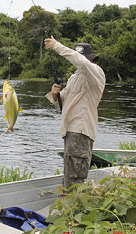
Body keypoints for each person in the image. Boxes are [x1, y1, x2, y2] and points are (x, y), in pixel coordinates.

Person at [44, 36, 106, 190]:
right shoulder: (74, 77)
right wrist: (54, 94)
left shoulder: (96, 73)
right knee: (70, 174)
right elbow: (62, 103)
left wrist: (57, 46)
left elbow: (82, 63)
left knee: (76, 177)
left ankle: (76, 209)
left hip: (81, 131)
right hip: (70, 130)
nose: (80, 61)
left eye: (82, 58)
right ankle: (72, 207)